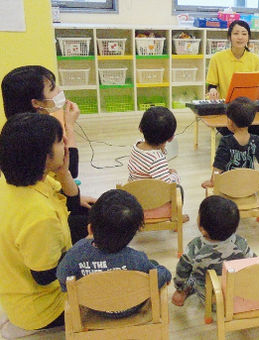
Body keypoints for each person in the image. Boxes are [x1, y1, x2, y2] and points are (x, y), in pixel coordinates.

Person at [0, 113, 76, 338]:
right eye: (60, 140)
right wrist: (84, 256)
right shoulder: (39, 216)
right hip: (43, 309)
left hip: (15, 293)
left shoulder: (17, 182)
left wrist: (63, 171)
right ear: (44, 158)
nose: (65, 144)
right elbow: (44, 276)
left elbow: (72, 199)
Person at [1, 65, 95, 243]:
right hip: (45, 214)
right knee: (98, 220)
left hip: (54, 197)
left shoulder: (22, 129)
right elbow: (69, 168)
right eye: (52, 88)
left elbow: (65, 174)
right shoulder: (32, 139)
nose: (59, 91)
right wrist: (70, 126)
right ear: (35, 102)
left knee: (93, 210)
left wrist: (67, 195)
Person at [56, 189, 172, 318]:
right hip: (131, 306)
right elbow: (156, 279)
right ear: (133, 234)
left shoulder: (76, 252)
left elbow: (62, 276)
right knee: (153, 266)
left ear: (90, 228)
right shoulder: (137, 259)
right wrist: (165, 272)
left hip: (95, 307)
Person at [171, 195, 255, 306]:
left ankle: (183, 293)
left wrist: (179, 288)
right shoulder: (240, 243)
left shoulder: (195, 247)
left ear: (202, 229)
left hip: (209, 300)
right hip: (236, 296)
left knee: (192, 276)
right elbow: (254, 263)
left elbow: (181, 273)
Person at [206, 20, 259, 145]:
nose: (240, 37)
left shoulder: (255, 59)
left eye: (244, 34)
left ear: (248, 37)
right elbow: (211, 85)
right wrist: (212, 90)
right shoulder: (217, 58)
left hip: (248, 109)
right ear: (229, 37)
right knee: (237, 140)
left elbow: (258, 85)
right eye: (236, 33)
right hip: (226, 109)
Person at [201, 97, 259, 188]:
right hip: (248, 187)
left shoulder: (226, 141)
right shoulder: (257, 141)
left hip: (228, 188)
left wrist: (212, 181)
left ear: (230, 122)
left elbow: (219, 165)